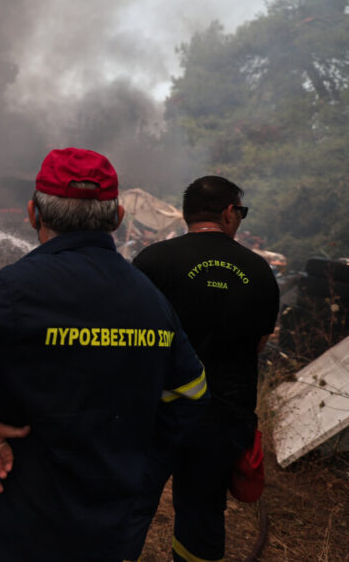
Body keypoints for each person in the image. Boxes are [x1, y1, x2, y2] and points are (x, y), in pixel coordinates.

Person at [0, 147, 209, 562]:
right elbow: (191, 391)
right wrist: (141, 466)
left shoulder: (12, 290)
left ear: (34, 214)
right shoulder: (151, 302)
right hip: (103, 534)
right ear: (119, 217)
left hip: (7, 523)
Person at [125, 176, 280, 562]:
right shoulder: (259, 272)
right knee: (202, 515)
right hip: (223, 414)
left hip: (153, 410)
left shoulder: (152, 261)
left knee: (127, 505)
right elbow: (259, 344)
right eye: (240, 212)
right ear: (229, 213)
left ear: (185, 213)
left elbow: (128, 335)